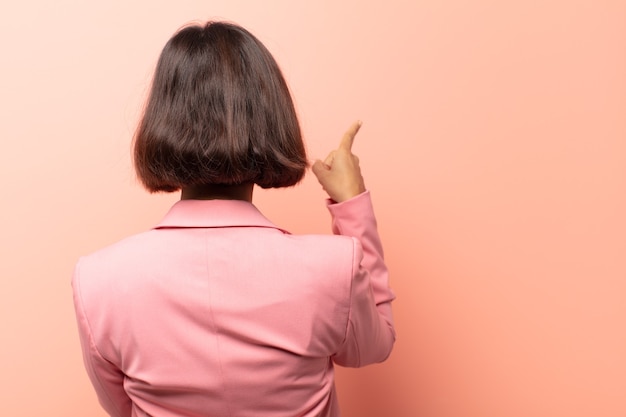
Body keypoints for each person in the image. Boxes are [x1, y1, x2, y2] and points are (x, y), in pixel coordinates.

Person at [72, 21, 396, 417]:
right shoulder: (334, 267)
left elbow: (123, 409)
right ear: (270, 119)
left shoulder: (97, 279)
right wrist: (352, 205)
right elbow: (374, 346)